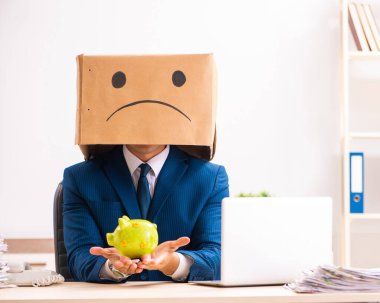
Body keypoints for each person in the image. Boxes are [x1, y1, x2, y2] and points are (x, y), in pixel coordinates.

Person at [63, 143, 229, 283]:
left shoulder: (210, 178)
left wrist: (173, 262)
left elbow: (217, 256)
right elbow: (80, 256)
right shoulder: (80, 177)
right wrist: (113, 267)